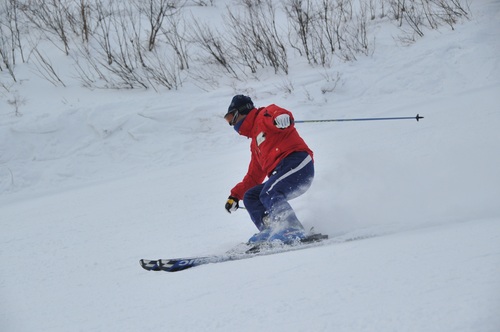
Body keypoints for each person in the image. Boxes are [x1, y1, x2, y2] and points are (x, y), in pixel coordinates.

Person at [223, 95, 315, 244]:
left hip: (297, 163)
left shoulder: (263, 116)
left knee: (269, 192)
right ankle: (271, 228)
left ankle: (291, 228)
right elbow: (253, 177)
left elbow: (276, 113)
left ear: (242, 111)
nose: (231, 123)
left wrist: (282, 118)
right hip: (281, 173)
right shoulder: (255, 145)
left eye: (231, 117)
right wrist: (235, 195)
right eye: (228, 120)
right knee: (251, 196)